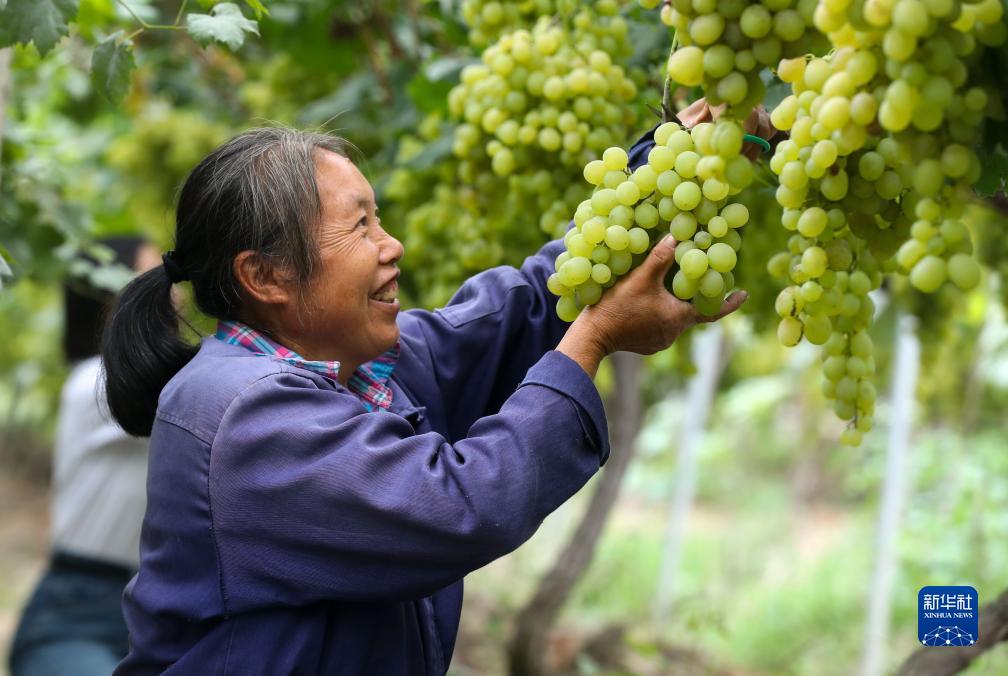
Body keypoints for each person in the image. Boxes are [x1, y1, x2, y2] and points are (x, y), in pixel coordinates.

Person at [100, 127, 746, 675]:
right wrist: (594, 338)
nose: (392, 245)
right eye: (360, 226)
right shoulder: (244, 414)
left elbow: (517, 312)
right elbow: (464, 504)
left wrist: (666, 160)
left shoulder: (355, 369)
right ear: (266, 276)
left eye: (377, 218)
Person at [8, 238, 160, 676]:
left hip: (152, 609)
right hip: (76, 611)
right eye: (151, 277)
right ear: (110, 299)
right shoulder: (96, 382)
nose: (175, 293)